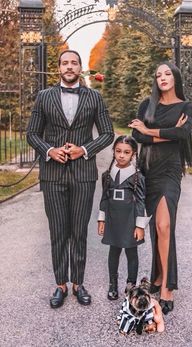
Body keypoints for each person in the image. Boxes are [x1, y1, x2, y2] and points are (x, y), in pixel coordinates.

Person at [27, 49, 114, 308]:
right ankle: (60, 285)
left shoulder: (94, 97)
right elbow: (32, 134)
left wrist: (84, 149)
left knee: (78, 232)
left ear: (79, 67)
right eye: (65, 63)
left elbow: (107, 133)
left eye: (74, 63)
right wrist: (49, 151)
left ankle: (78, 283)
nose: (69, 67)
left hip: (83, 174)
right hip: (52, 175)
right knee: (58, 232)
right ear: (59, 68)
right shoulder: (44, 97)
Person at [128, 61, 192, 315]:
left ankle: (167, 286)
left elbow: (183, 135)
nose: (162, 78)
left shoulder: (186, 106)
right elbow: (138, 136)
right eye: (158, 75)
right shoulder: (148, 104)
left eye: (167, 73)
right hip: (149, 171)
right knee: (156, 227)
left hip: (169, 171)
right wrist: (167, 131)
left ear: (175, 77)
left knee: (165, 226)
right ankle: (157, 277)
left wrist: (150, 129)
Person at [97, 135, 150, 300]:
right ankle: (113, 284)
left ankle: (131, 285)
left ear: (133, 154)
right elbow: (104, 198)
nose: (121, 155)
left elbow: (141, 201)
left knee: (131, 253)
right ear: (113, 151)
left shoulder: (137, 177)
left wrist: (140, 226)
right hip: (113, 220)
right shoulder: (107, 175)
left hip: (130, 221)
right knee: (113, 252)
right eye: (118, 151)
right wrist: (101, 219)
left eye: (126, 152)